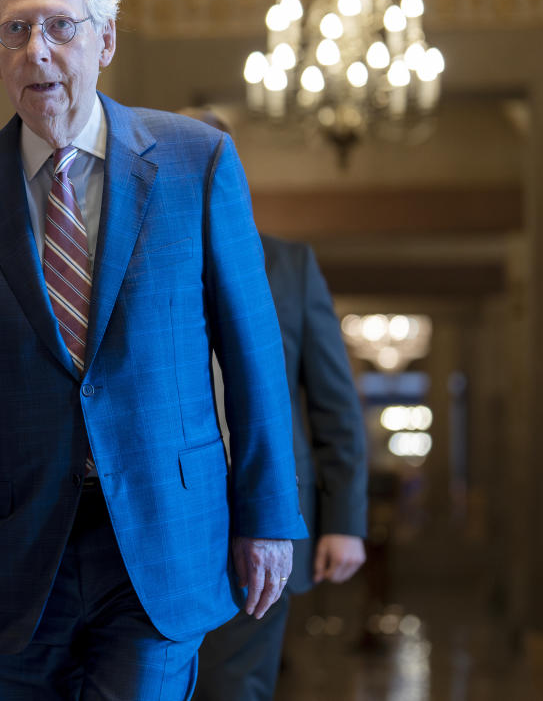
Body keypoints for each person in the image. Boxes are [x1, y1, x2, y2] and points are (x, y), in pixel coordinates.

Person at [0, 0, 306, 700]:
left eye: (60, 28)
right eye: (15, 32)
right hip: (13, 550)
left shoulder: (194, 162)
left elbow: (253, 352)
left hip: (162, 538)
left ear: (104, 42)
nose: (37, 50)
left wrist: (267, 513)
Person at [179, 107, 368, 701]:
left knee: (236, 687)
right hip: (168, 516)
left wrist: (344, 522)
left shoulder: (289, 265)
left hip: (265, 514)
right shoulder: (128, 262)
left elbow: (333, 403)